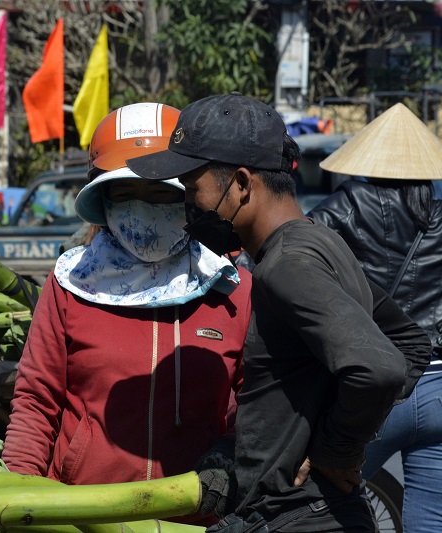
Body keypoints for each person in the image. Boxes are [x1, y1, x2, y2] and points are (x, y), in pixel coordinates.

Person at [127, 93, 432, 532]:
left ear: (242, 184)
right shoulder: (318, 242)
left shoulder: (287, 266)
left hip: (299, 518)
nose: (187, 205)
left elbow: (380, 366)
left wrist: (336, 450)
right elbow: (410, 341)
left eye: (193, 189)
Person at [3, 103, 253, 527]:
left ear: (188, 195)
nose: (144, 207)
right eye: (126, 194)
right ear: (103, 200)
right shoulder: (71, 284)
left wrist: (229, 451)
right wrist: (16, 496)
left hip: (192, 520)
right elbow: (36, 400)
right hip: (81, 517)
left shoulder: (231, 289)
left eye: (159, 192)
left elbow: (257, 406)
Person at [308, 102, 442, 532]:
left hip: (378, 386)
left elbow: (290, 252)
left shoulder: (347, 204)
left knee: (317, 497)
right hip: (439, 386)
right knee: (431, 520)